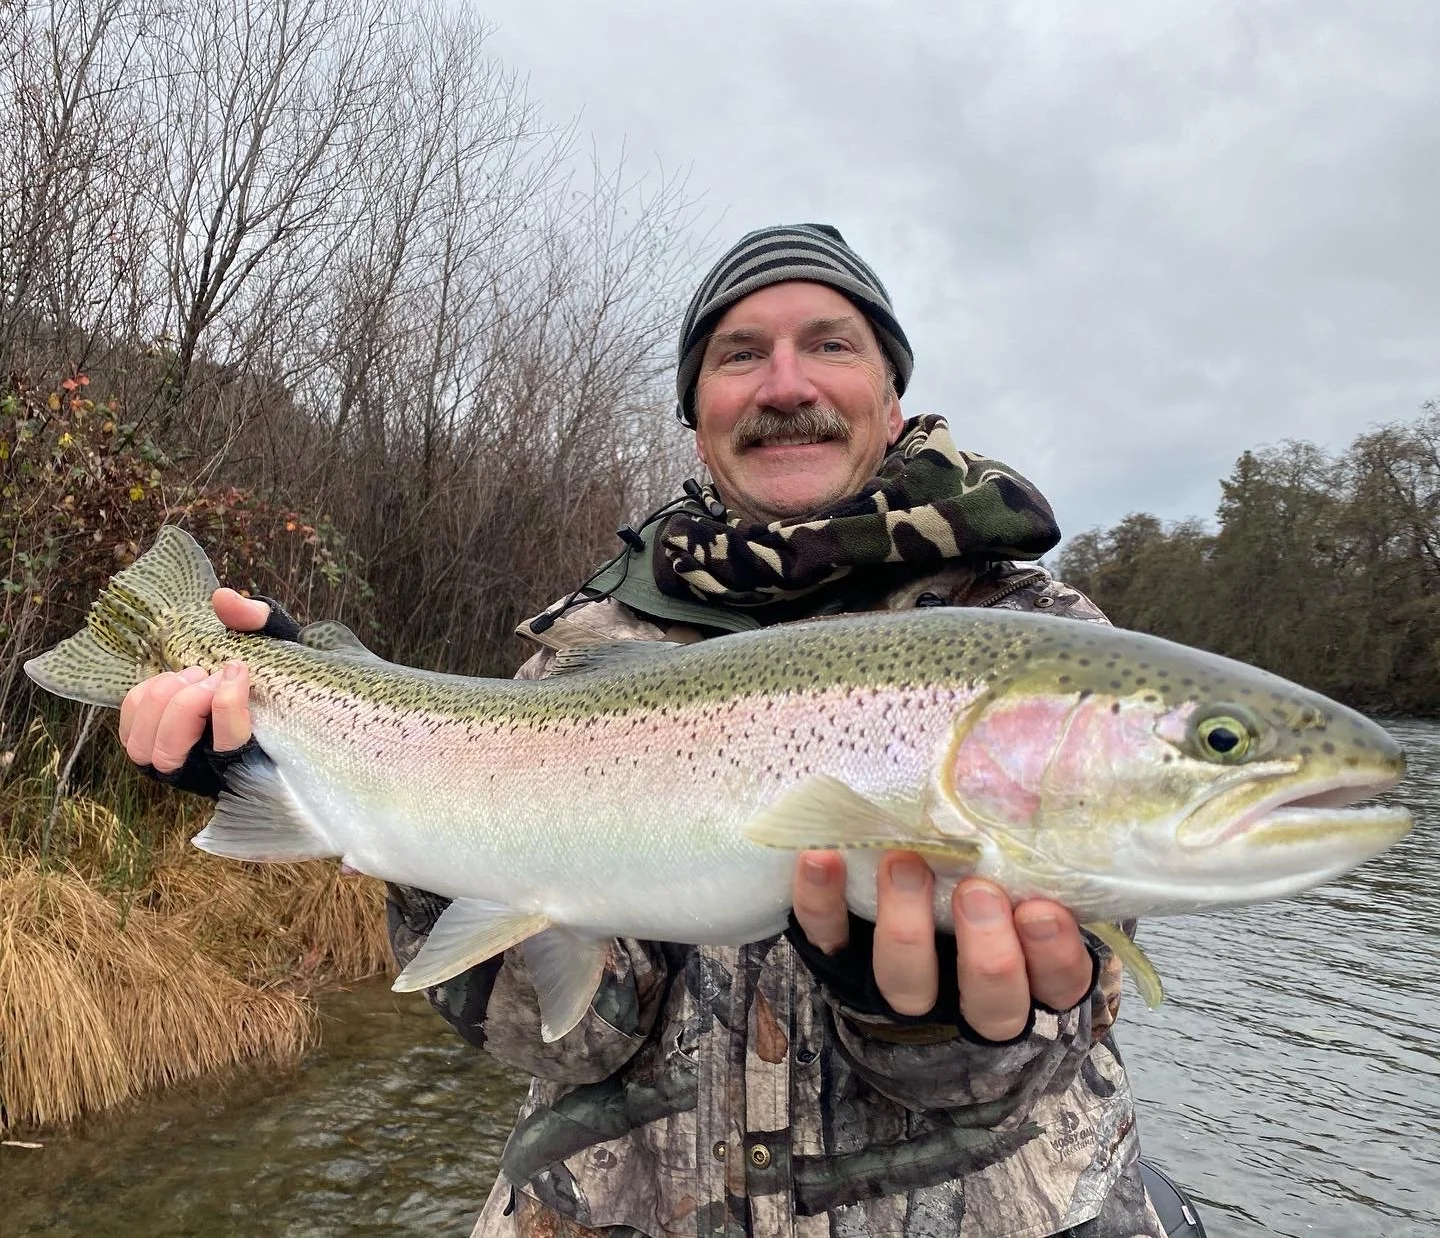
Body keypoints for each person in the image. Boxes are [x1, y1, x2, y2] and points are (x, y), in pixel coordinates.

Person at [119, 224, 1166, 1237]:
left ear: (892, 402)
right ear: (698, 419)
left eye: (830, 344)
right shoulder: (583, 648)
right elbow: (565, 1039)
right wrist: (316, 752)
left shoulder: (1040, 648)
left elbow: (1046, 1048)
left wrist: (925, 1014)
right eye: (739, 354)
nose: (786, 384)